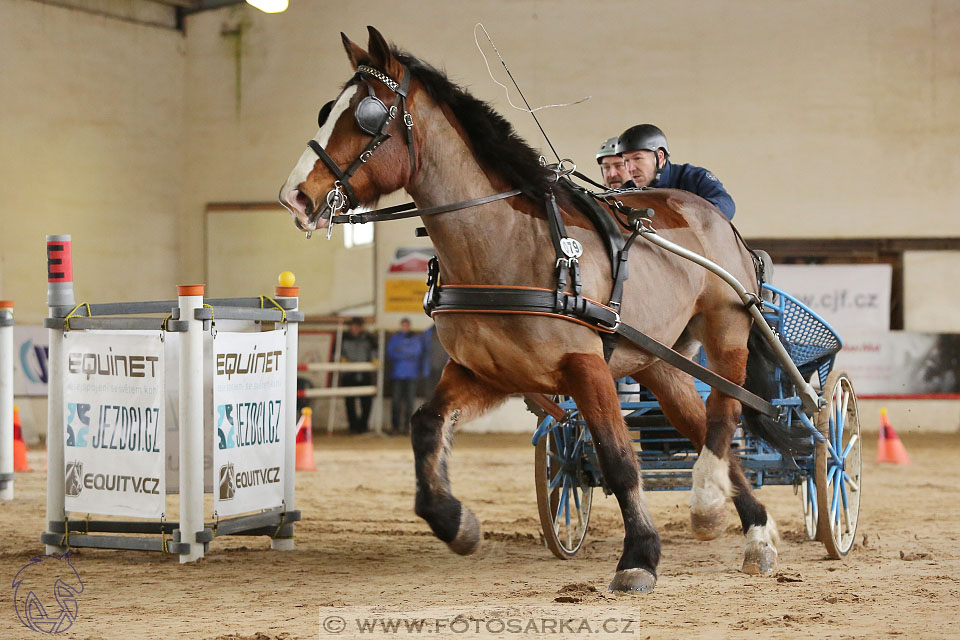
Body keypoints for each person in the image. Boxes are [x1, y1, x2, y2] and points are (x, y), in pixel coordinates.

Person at [616, 124, 736, 220]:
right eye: (626, 161)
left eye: (638, 159)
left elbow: (726, 205)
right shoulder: (624, 194)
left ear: (660, 157)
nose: (630, 168)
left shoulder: (694, 177)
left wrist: (691, 213)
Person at [386, 318, 423, 435]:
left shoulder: (415, 339)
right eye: (403, 325)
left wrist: (401, 351)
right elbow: (390, 352)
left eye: (406, 325)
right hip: (398, 375)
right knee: (396, 402)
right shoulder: (395, 338)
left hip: (411, 375)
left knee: (409, 403)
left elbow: (417, 352)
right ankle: (395, 427)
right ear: (401, 326)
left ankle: (408, 427)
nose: (405, 327)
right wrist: (408, 353)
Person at [340, 317, 377, 434]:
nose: (355, 328)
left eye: (358, 326)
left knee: (366, 402)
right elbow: (338, 352)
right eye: (354, 326)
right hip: (348, 374)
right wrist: (342, 358)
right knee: (349, 403)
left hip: (365, 374)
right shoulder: (343, 338)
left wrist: (375, 359)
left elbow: (375, 351)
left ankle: (363, 426)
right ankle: (353, 426)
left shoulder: (369, 338)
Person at [420, 324, 449, 397]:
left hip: (443, 369)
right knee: (430, 393)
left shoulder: (447, 333)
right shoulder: (427, 334)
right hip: (430, 369)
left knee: (443, 393)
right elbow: (422, 351)